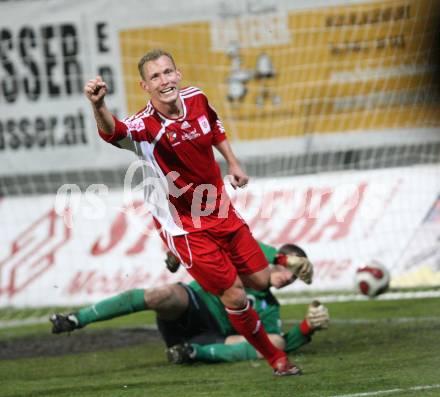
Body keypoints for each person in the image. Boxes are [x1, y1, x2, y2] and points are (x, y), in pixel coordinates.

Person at [84, 48, 306, 375]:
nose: (164, 81)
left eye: (167, 73)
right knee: (235, 295)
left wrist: (232, 162)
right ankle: (277, 359)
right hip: (188, 229)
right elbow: (114, 132)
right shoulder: (145, 125)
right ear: (145, 86)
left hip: (222, 212)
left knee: (260, 280)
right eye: (155, 77)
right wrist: (98, 104)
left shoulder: (197, 99)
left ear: (179, 74)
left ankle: (253, 264)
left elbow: (215, 127)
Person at [50, 243, 329, 365]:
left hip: (216, 338)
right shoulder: (238, 258)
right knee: (161, 295)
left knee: (275, 343)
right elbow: (245, 243)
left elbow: (278, 344)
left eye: (293, 277)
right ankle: (76, 319)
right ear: (272, 260)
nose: (288, 279)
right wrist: (177, 253)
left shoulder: (270, 306)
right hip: (193, 305)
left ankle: (192, 353)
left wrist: (307, 328)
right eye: (286, 269)